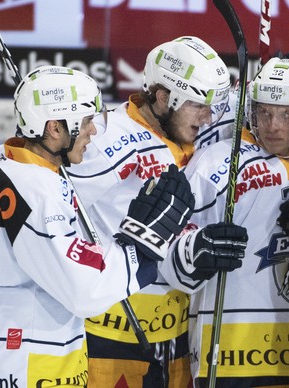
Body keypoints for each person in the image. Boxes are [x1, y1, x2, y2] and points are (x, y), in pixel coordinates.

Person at [0, 65, 194, 387]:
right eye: (85, 122)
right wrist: (141, 244)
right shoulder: (40, 196)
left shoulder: (4, 158)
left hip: (3, 341)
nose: (93, 132)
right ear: (54, 128)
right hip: (28, 356)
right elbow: (84, 291)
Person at [159, 57, 289, 387]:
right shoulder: (216, 162)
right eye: (264, 111)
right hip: (228, 354)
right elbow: (172, 246)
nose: (273, 125)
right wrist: (195, 250)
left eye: (287, 114)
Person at [66, 36, 237, 387]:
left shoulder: (194, 133)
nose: (208, 118)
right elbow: (50, 203)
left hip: (177, 338)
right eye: (198, 106)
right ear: (163, 97)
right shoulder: (104, 140)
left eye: (213, 106)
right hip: (108, 337)